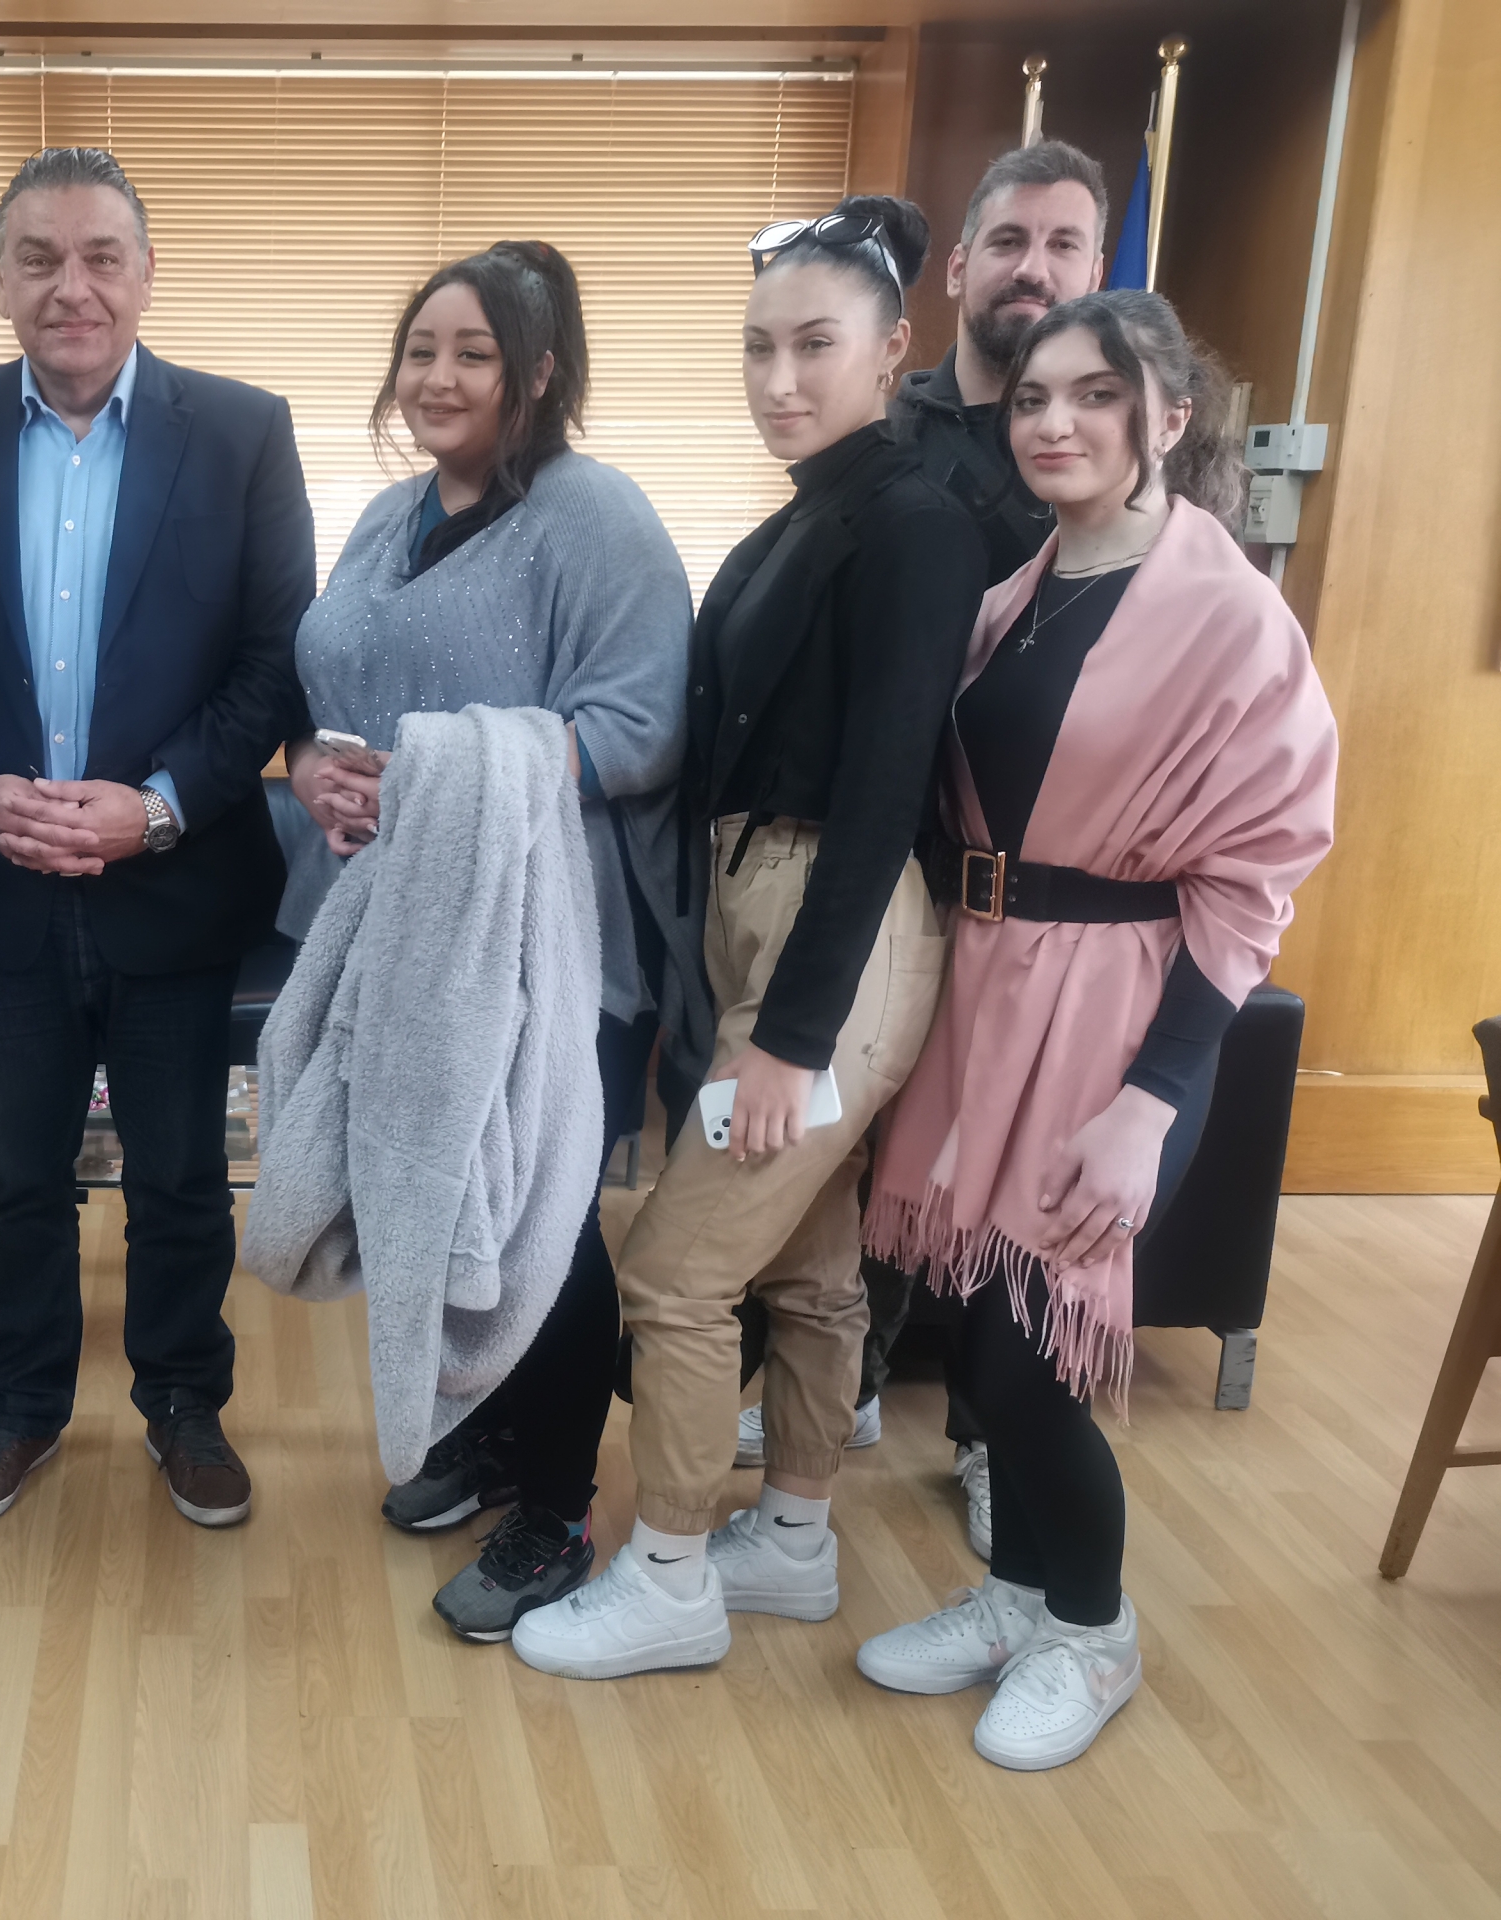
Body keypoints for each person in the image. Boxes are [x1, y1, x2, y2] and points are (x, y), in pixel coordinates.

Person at [853, 290, 1336, 1769]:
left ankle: (1094, 1629)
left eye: (1096, 395)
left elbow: (1254, 875)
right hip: (994, 986)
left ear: (1167, 419)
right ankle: (1019, 1599)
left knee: (1030, 1351)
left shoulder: (1225, 612)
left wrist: (1153, 1098)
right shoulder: (1021, 591)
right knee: (979, 1325)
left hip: (1121, 1012)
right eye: (1032, 398)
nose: (1053, 422)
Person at [511, 195, 985, 1680]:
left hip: (832, 933)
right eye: (759, 348)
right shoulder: (805, 515)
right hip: (755, 914)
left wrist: (789, 1034)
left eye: (815, 346)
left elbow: (885, 792)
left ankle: (666, 1575)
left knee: (672, 1270)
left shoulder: (914, 521)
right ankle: (790, 1540)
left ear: (893, 349)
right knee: (809, 1264)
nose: (780, 379)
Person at [0, 147, 313, 1532]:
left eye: (100, 257)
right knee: (13, 1179)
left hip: (175, 878)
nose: (71, 287)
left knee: (181, 1176)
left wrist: (158, 804)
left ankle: (184, 1404)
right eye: (39, 259)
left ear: (145, 274)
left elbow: (274, 662)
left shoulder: (242, 432)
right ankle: (16, 1407)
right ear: (1, 278)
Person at [281, 240, 703, 1641]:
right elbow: (344, 693)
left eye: (474, 353)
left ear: (537, 374)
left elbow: (641, 726)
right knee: (434, 1194)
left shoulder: (594, 516)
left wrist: (438, 779)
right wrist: (317, 766)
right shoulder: (387, 515)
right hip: (397, 923)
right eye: (421, 350)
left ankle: (558, 1507)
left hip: (547, 940)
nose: (439, 377)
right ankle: (495, 1439)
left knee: (542, 1220)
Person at [735, 145, 1116, 1531]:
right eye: (1008, 240)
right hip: (892, 861)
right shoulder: (880, 441)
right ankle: (835, 1394)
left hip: (1044, 891)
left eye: (1064, 246)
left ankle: (993, 1442)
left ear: (1095, 271)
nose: (1033, 268)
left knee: (1003, 1178)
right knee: (862, 1168)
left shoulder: (1094, 444)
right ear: (953, 273)